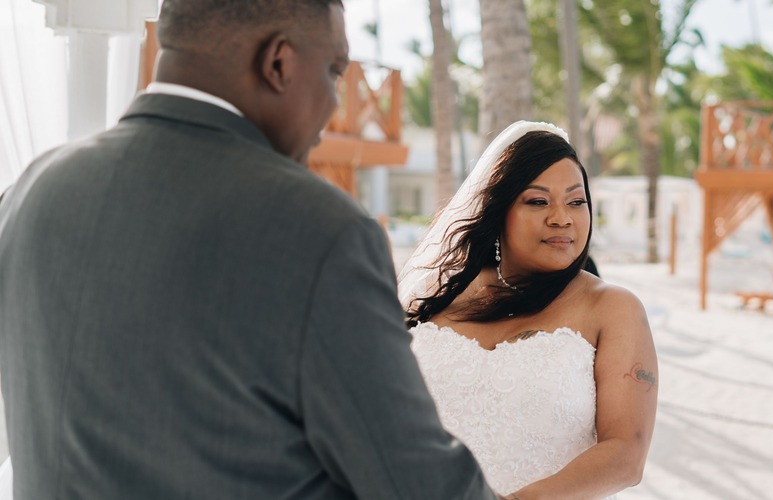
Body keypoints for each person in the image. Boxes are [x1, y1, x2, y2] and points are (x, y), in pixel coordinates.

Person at [0, 1, 498, 498]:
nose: (332, 107)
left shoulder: (32, 189)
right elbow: (422, 486)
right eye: (333, 71)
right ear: (278, 62)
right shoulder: (319, 228)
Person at [397, 121, 658, 498]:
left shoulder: (613, 308)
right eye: (538, 201)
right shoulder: (441, 292)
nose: (561, 218)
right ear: (498, 210)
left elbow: (626, 454)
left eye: (576, 201)